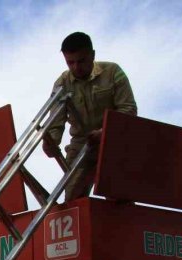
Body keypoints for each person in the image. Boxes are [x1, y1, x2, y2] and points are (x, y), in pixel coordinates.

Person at [43, 32, 137, 201]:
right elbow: (55, 122)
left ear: (92, 55)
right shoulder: (61, 83)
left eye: (81, 61)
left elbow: (128, 110)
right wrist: (50, 143)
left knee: (120, 199)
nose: (76, 67)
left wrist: (104, 132)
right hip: (81, 145)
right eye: (70, 62)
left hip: (113, 142)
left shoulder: (113, 72)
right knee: (72, 197)